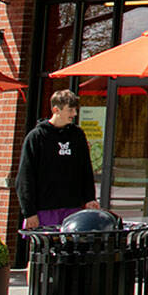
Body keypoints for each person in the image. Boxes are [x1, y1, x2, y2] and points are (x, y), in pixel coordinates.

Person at [17, 90, 100, 230]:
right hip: (45, 209)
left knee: (72, 250)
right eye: (70, 110)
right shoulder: (36, 137)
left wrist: (89, 198)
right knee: (45, 250)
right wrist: (29, 211)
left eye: (75, 110)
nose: (74, 114)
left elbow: (85, 169)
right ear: (56, 110)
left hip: (73, 208)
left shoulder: (78, 135)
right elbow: (25, 177)